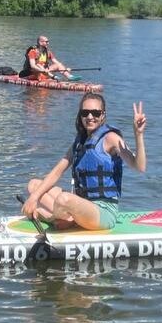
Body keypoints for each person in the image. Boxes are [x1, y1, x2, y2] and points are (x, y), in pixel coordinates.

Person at [21, 95, 147, 231]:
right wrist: (33, 198)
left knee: (64, 199)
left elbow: (139, 166)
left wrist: (138, 135)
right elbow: (57, 172)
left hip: (103, 212)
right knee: (34, 186)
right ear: (80, 116)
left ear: (103, 115)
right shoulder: (80, 142)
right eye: (85, 113)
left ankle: (53, 218)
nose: (90, 116)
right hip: (82, 203)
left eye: (96, 113)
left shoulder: (111, 138)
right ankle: (67, 218)